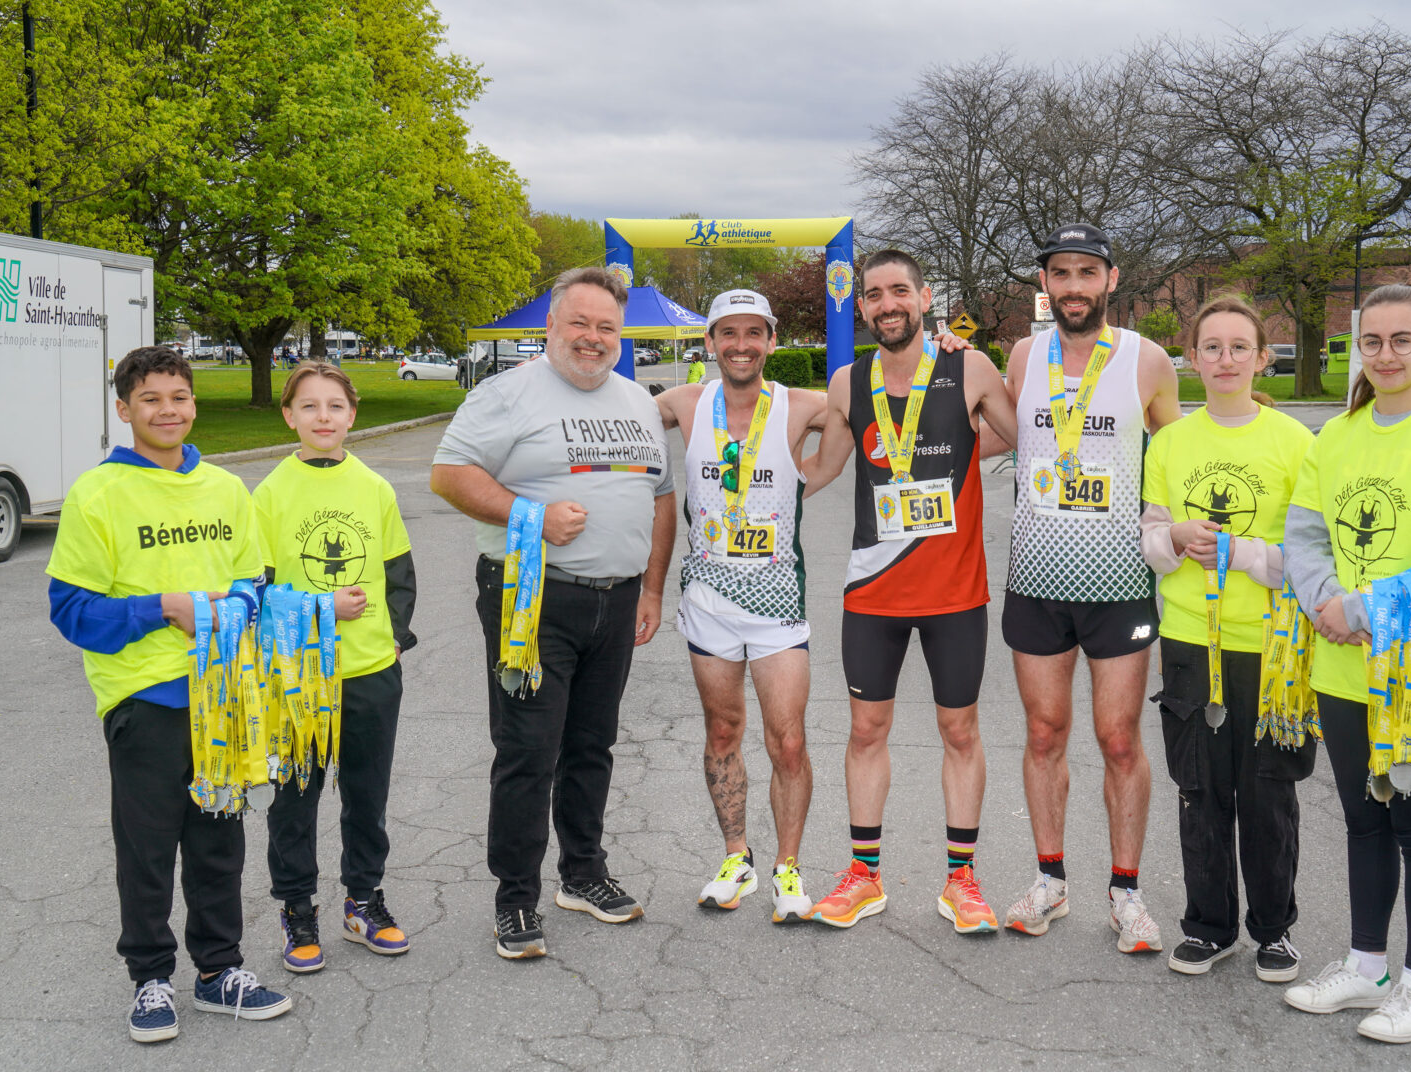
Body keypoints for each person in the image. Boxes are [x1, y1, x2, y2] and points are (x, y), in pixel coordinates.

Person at [46, 345, 291, 1042]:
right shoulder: (98, 494)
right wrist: (165, 608)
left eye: (178, 397)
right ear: (124, 410)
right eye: (150, 399)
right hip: (145, 699)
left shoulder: (224, 488)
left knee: (220, 843)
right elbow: (74, 612)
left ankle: (219, 972)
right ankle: (151, 978)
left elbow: (253, 577)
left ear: (193, 404)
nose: (168, 410)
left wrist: (239, 602)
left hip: (224, 697)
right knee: (147, 848)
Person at [431, 267, 676, 960]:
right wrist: (528, 514)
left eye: (607, 328)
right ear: (551, 326)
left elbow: (660, 498)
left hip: (618, 597)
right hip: (531, 596)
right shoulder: (505, 395)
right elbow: (449, 474)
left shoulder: (637, 401)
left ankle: (582, 873)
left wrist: (653, 589)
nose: (593, 338)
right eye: (581, 323)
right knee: (528, 750)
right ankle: (515, 898)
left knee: (591, 744)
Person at [1282, 284, 1411, 1044]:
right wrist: (1321, 603)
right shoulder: (1335, 438)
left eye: (1402, 340)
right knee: (1364, 822)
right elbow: (1302, 536)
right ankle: (1367, 965)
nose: (1386, 355)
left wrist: (1358, 610)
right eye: (1372, 341)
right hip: (1342, 666)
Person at [800, 249, 1019, 934]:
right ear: (860, 306)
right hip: (873, 594)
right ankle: (864, 875)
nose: (887, 303)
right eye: (873, 294)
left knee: (960, 729)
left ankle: (962, 880)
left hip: (956, 593)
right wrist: (738, 476)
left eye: (900, 291)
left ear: (925, 298)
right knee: (867, 729)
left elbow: (1028, 438)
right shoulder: (846, 381)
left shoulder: (969, 366)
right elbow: (822, 470)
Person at [988, 223, 1181, 951]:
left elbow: (1180, 452)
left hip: (1120, 581)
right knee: (1043, 733)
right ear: (1046, 283)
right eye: (1060, 274)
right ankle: (1050, 882)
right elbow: (998, 427)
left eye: (1086, 273)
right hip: (1036, 579)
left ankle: (1127, 893)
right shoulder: (1022, 354)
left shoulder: (1149, 359)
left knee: (1119, 738)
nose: (1073, 286)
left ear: (1111, 279)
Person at [1140, 296, 1316, 983]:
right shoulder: (1172, 442)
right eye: (1211, 347)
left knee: (1268, 791)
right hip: (1190, 640)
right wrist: (1176, 539)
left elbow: (1309, 558)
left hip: (1271, 646)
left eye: (1239, 347)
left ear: (1262, 357)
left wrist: (1240, 553)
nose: (1224, 360)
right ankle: (1209, 926)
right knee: (1200, 789)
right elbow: (1151, 541)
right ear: (1191, 358)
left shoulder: (1296, 443)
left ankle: (1274, 930)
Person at [652, 290, 827, 922]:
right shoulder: (683, 403)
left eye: (755, 332)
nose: (742, 344)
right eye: (729, 333)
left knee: (788, 741)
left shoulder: (802, 404)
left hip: (778, 599)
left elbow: (888, 410)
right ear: (711, 343)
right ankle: (736, 860)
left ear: (772, 341)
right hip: (708, 600)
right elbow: (616, 425)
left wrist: (949, 352)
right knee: (723, 730)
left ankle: (787, 868)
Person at [254, 362, 418, 974]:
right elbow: (257, 590)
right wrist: (322, 607)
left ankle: (364, 899)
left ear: (353, 415)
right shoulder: (270, 493)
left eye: (335, 407)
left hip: (370, 670)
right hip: (298, 674)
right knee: (296, 795)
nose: (323, 418)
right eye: (309, 406)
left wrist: (395, 638)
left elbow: (399, 575)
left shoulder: (374, 487)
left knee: (366, 794)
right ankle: (297, 908)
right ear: (289, 415)